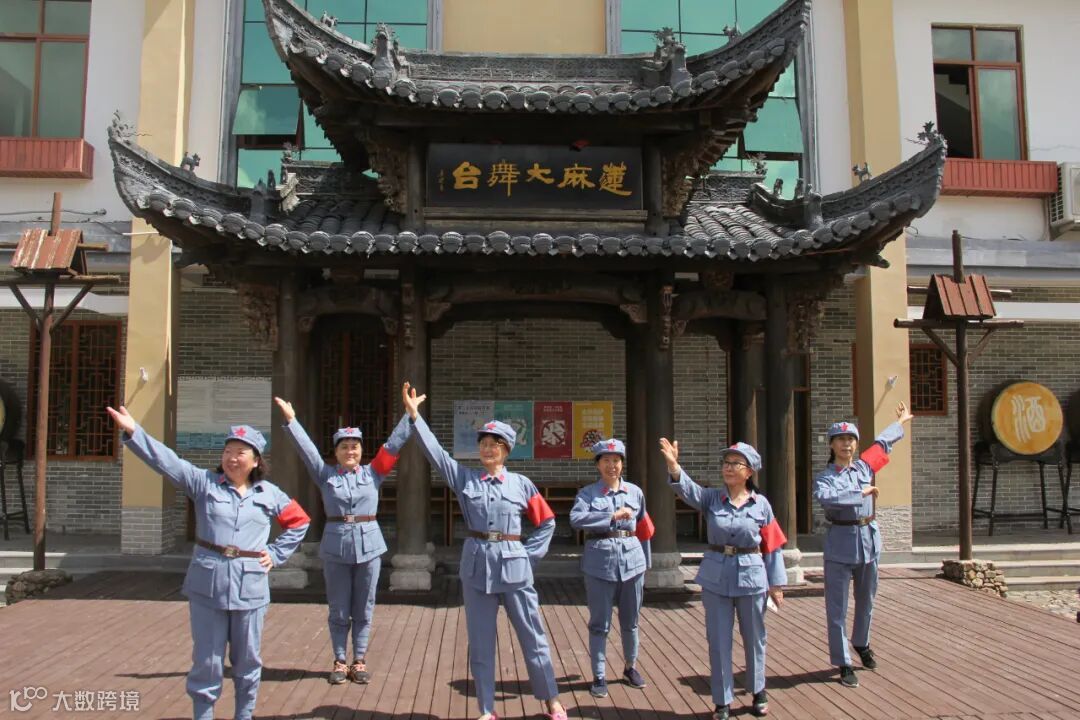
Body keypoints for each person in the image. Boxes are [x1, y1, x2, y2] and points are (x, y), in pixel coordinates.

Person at [106, 405, 309, 720]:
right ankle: (203, 714)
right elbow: (168, 462)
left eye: (240, 452)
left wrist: (276, 553)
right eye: (228, 451)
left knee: (248, 660)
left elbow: (300, 521)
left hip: (250, 586)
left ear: (256, 460)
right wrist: (135, 431)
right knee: (207, 660)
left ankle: (244, 714)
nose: (232, 458)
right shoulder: (205, 483)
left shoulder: (270, 494)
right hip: (207, 584)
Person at [402, 382, 568, 720]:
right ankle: (487, 709)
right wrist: (415, 418)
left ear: (506, 450)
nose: (488, 448)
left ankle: (552, 700)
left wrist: (528, 556)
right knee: (480, 642)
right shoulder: (466, 481)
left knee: (532, 635)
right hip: (477, 568)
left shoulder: (521, 485)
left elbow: (547, 522)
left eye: (495, 444)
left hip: (515, 567)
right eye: (483, 443)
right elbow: (438, 455)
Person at [273, 397, 411, 685]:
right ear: (336, 452)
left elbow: (392, 446)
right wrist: (291, 420)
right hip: (336, 548)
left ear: (361, 451)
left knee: (364, 607)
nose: (350, 451)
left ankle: (359, 659)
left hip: (369, 548)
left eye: (354, 446)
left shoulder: (374, 473)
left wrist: (409, 416)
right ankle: (339, 659)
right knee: (338, 608)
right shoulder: (325, 476)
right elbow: (307, 451)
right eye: (344, 447)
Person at [659, 437, 786, 720]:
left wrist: (776, 584)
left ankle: (758, 691)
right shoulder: (712, 498)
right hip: (716, 576)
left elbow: (773, 545)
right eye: (726, 463)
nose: (728, 468)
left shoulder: (761, 505)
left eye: (735, 464)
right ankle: (722, 700)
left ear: (749, 471)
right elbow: (688, 490)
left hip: (752, 576)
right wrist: (674, 465)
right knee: (718, 641)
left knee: (755, 638)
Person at [813, 401, 914, 688]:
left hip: (868, 539)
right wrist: (861, 492)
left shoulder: (864, 466)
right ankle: (843, 661)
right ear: (831, 445)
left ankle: (861, 642)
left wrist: (900, 423)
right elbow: (827, 499)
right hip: (840, 543)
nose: (846, 444)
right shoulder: (825, 478)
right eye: (840, 439)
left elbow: (883, 444)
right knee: (837, 607)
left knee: (867, 599)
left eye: (851, 439)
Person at [569, 438, 655, 699]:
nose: (612, 465)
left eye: (616, 460)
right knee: (600, 623)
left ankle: (630, 667)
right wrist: (610, 517)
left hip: (633, 562)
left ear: (622, 464)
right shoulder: (588, 494)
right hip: (600, 562)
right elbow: (576, 519)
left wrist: (646, 563)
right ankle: (599, 675)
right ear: (598, 464)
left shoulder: (635, 492)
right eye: (606, 460)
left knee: (631, 621)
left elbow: (643, 529)